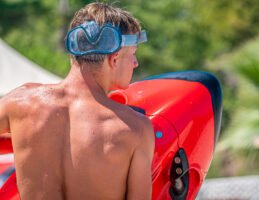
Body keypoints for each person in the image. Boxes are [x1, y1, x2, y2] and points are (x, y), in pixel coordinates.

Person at [0, 2, 154, 200]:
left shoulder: (20, 103)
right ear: (114, 59)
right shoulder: (134, 129)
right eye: (133, 53)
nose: (135, 63)